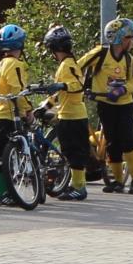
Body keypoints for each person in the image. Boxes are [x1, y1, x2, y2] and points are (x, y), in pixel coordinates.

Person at [77, 18, 133, 194]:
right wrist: (76, 85)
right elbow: (78, 66)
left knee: (128, 142)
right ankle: (118, 182)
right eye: (131, 37)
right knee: (112, 143)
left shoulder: (128, 60)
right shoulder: (100, 54)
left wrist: (123, 90)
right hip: (105, 104)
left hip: (124, 105)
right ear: (122, 38)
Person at [35, 25, 90, 201]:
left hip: (74, 115)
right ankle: (75, 184)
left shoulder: (69, 65)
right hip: (66, 114)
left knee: (75, 152)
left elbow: (77, 85)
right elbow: (59, 93)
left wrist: (62, 85)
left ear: (53, 48)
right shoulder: (65, 65)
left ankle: (79, 187)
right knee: (68, 150)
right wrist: (46, 105)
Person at [0, 23, 32, 205]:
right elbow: (19, 91)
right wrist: (28, 110)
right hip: (10, 114)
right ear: (20, 45)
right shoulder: (16, 64)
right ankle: (4, 193)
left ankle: (1, 192)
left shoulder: (2, 63)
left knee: (1, 155)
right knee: (12, 152)